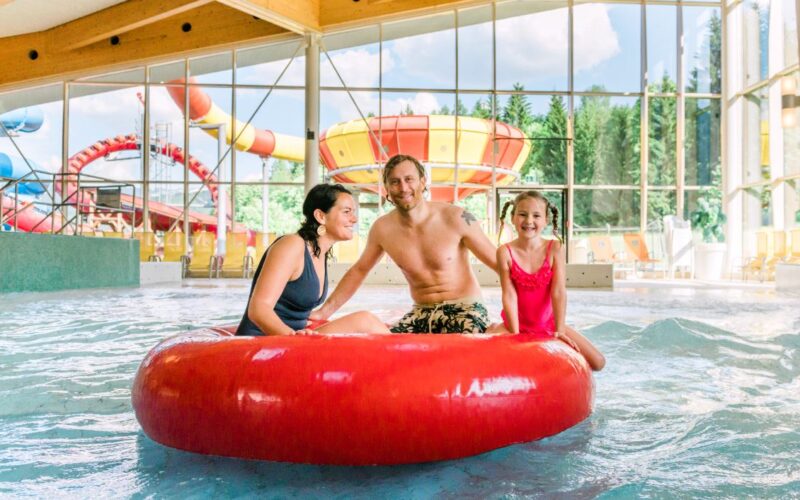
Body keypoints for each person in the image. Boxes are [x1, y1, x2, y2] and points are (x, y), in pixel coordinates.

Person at [310, 154, 498, 333]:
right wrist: (324, 312)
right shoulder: (382, 229)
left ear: (422, 181)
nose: (403, 188)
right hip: (421, 313)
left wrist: (521, 312)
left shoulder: (457, 217)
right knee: (383, 343)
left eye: (409, 179)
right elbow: (359, 271)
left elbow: (501, 264)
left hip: (466, 308)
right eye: (395, 182)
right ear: (387, 188)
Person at [236, 183, 390, 336]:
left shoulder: (319, 253)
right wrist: (294, 340)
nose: (354, 219)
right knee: (365, 321)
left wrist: (322, 313)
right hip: (264, 343)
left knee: (366, 321)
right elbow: (258, 309)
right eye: (346, 212)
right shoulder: (292, 245)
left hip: (293, 338)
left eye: (353, 212)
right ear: (321, 216)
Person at [488, 190, 605, 371]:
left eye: (536, 216)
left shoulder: (555, 248)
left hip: (548, 324)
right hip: (516, 324)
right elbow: (509, 294)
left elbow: (558, 292)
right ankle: (495, 327)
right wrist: (515, 335)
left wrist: (560, 331)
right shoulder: (505, 252)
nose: (529, 221)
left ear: (546, 220)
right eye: (522, 214)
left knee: (598, 363)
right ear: (512, 217)